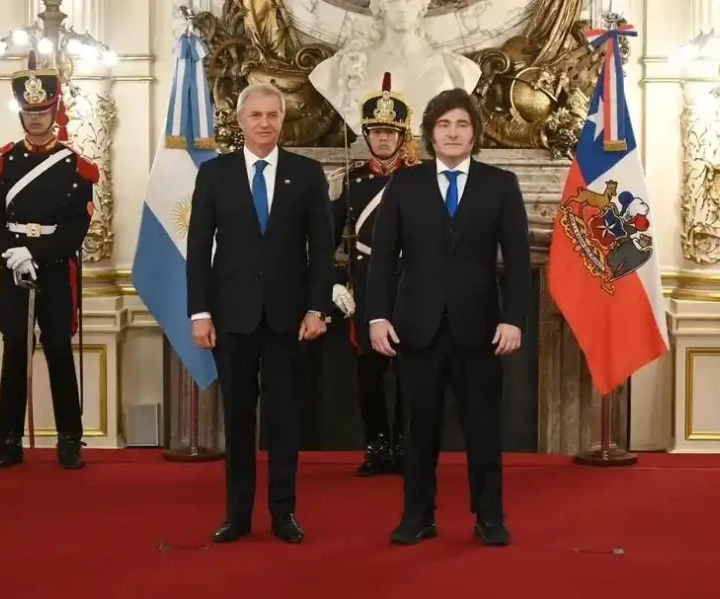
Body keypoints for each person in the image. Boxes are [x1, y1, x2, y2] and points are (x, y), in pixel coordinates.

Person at [366, 88, 531, 546]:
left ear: (474, 133)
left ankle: (490, 516)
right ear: (430, 134)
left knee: (483, 429)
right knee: (419, 429)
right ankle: (418, 516)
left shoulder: (500, 184)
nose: (453, 133)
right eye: (444, 125)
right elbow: (382, 259)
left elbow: (518, 262)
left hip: (481, 330)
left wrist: (514, 318)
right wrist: (377, 316)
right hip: (416, 329)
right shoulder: (405, 184)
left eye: (461, 124)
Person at [186, 83, 333, 544]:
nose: (265, 123)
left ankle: (283, 513)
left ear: (282, 121)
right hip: (231, 318)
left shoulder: (306, 173)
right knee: (238, 420)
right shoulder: (215, 174)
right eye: (256, 115)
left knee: (284, 419)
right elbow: (198, 249)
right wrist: (199, 313)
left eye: (273, 115)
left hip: (290, 319)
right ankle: (238, 514)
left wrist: (317, 307)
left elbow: (323, 248)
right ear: (241, 121)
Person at [0, 51, 98, 470]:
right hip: (14, 269)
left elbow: (75, 230)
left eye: (42, 111)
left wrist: (35, 253)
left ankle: (70, 440)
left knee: (59, 349)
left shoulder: (77, 166)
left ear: (55, 109)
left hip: (55, 268)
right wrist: (13, 256)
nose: (35, 119)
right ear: (21, 112)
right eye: (29, 112)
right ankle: (8, 442)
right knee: (15, 349)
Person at [330, 73, 417, 477]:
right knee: (370, 373)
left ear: (402, 136)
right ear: (366, 134)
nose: (382, 138)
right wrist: (334, 283)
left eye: (390, 132)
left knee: (409, 373)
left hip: (411, 285)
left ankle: (405, 448)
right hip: (366, 286)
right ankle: (377, 449)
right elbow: (328, 239)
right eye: (376, 131)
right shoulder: (349, 181)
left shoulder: (421, 179)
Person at [308, 0, 481, 135]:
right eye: (393, 0)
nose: (402, 7)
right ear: (380, 5)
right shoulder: (347, 66)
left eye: (409, 0)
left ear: (422, 5)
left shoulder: (457, 69)